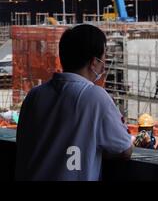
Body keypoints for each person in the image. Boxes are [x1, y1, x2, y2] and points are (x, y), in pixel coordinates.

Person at [15, 24, 133, 181]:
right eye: (104, 58)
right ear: (93, 62)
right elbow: (124, 150)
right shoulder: (95, 97)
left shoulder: (34, 95)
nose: (104, 64)